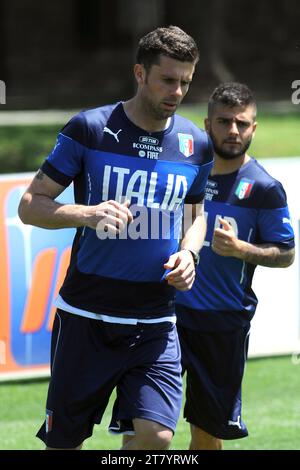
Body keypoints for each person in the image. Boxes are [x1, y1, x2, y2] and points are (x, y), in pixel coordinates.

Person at [18, 26, 214, 450]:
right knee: (64, 442)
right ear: (140, 73)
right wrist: (86, 213)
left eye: (186, 82)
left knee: (156, 435)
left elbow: (197, 216)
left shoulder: (196, 145)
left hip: (156, 319)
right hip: (87, 315)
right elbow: (30, 204)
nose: (177, 91)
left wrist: (190, 253)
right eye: (168, 79)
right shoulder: (89, 128)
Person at [176, 82, 295, 450]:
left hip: (222, 322)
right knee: (143, 424)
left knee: (207, 431)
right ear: (207, 124)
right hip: (164, 314)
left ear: (253, 128)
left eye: (242, 124)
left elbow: (286, 253)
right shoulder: (182, 172)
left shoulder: (264, 188)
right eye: (224, 121)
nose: (233, 131)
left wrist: (240, 248)